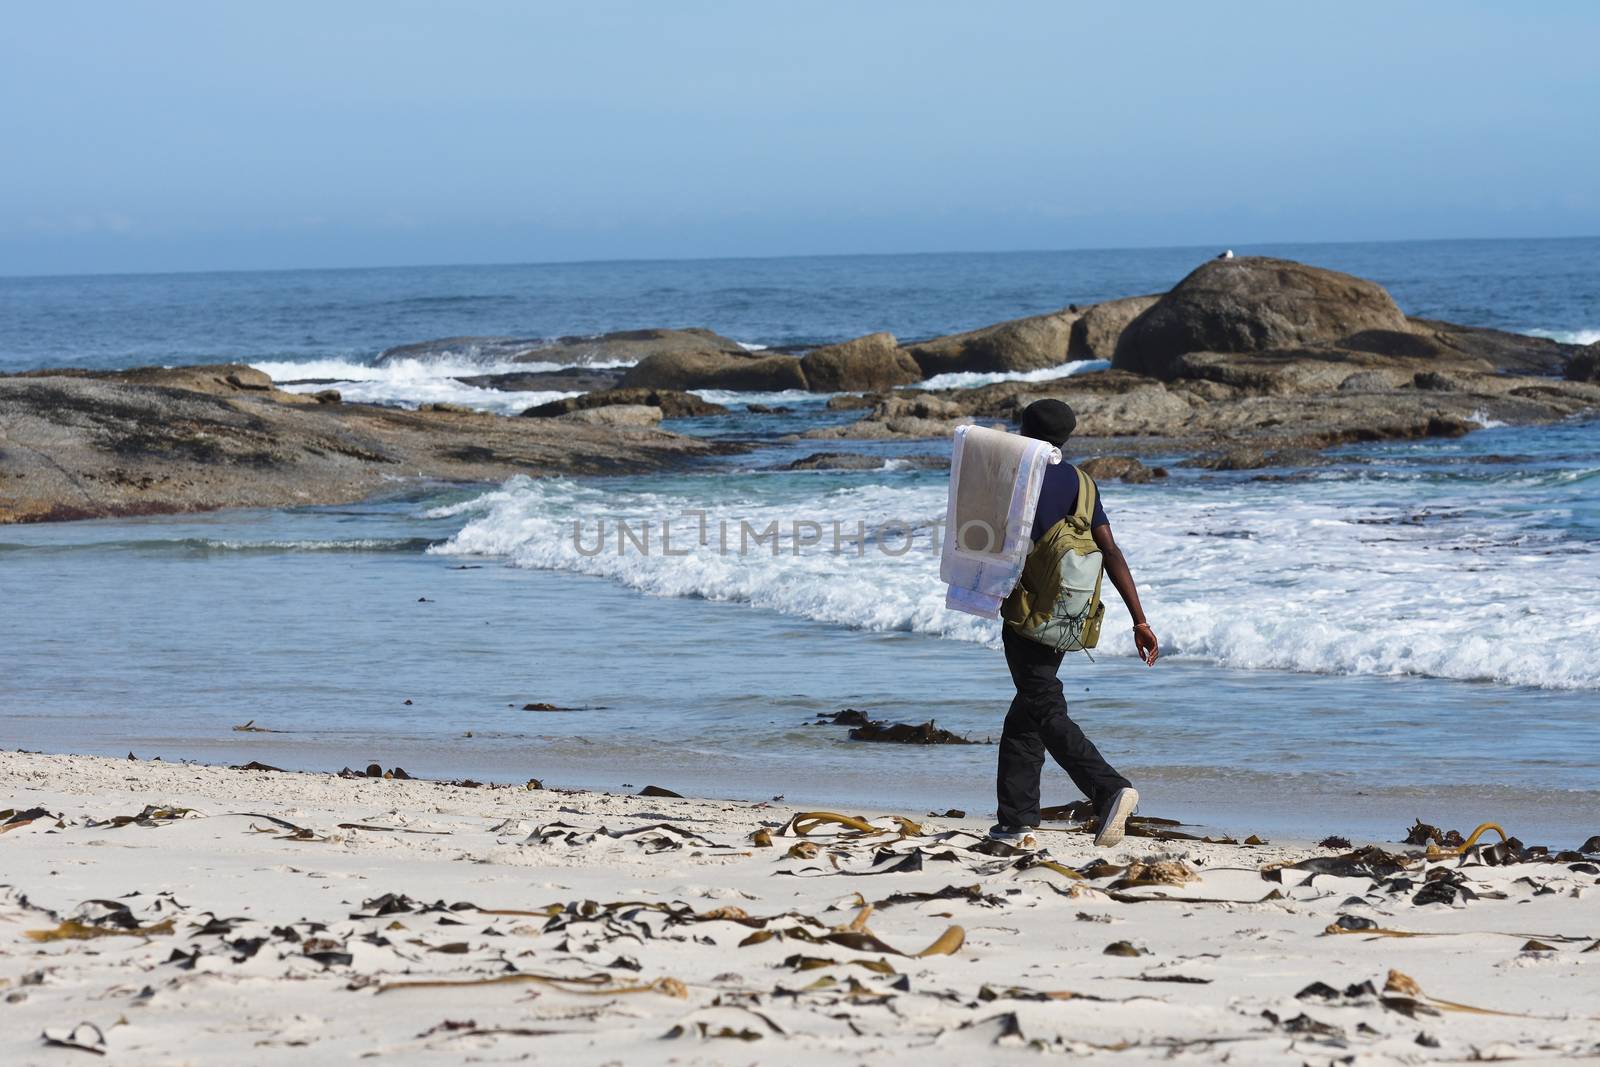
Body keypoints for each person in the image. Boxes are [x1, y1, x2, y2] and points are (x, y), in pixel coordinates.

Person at [991, 398, 1159, 849]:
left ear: (1025, 431)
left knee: (1043, 707)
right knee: (1026, 714)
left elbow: (991, 541)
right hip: (1069, 614)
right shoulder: (1084, 483)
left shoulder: (1021, 479)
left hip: (1028, 613)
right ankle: (1017, 819)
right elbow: (1111, 552)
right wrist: (1139, 621)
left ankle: (1108, 788)